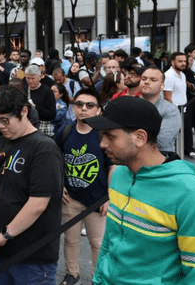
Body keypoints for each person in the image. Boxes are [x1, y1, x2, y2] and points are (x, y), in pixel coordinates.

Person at [85, 97, 195, 285]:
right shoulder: (120, 175)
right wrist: (98, 279)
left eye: (110, 136)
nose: (103, 143)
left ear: (140, 137)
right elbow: (110, 240)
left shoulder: (192, 196)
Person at [0, 86, 64, 285]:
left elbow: (38, 203)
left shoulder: (43, 148)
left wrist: (6, 235)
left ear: (24, 112)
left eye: (5, 120)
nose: (0, 126)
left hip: (31, 256)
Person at [53, 89, 115, 285]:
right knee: (70, 241)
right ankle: (72, 273)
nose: (84, 109)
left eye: (90, 105)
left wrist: (109, 196)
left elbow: (113, 166)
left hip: (96, 199)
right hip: (70, 198)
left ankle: (98, 277)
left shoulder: (103, 135)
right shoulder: (65, 132)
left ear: (98, 110)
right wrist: (60, 183)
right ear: (73, 107)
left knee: (97, 243)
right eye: (79, 104)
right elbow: (54, 160)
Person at [140, 66, 181, 152]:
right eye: (144, 79)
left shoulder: (171, 110)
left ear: (162, 86)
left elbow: (160, 141)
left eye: (153, 80)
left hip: (160, 158)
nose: (147, 82)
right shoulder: (129, 104)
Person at [25, 65, 56, 136]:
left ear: (39, 77)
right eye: (28, 78)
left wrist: (35, 108)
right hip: (27, 126)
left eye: (33, 78)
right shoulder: (24, 90)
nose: (30, 81)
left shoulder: (47, 91)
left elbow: (52, 114)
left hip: (43, 127)